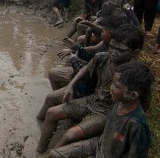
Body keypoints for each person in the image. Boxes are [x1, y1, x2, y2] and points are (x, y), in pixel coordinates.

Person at [36, 23, 144, 153]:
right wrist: (70, 85)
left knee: (71, 134)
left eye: (121, 50)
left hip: (106, 112)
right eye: (112, 47)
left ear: (135, 52)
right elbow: (84, 70)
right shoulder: (102, 57)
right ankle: (40, 150)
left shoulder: (135, 74)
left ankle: (54, 154)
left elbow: (142, 103)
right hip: (91, 99)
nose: (114, 53)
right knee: (51, 113)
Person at [48, 61, 153, 158]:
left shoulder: (137, 125)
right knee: (54, 154)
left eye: (116, 86)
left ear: (133, 95)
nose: (111, 88)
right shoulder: (118, 102)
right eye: (112, 83)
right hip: (97, 145)